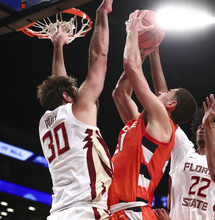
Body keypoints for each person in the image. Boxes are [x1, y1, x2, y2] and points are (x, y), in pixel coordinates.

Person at [108, 10, 197, 220]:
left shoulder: (163, 121)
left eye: (168, 92)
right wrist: (145, 52)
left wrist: (132, 32)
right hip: (120, 209)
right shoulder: (143, 125)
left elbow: (130, 66)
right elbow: (120, 94)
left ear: (171, 104)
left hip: (133, 210)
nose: (162, 92)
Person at [37, 0, 113, 219]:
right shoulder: (77, 111)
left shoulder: (45, 122)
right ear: (66, 96)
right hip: (85, 211)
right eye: (75, 90)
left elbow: (59, 81)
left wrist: (58, 46)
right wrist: (103, 13)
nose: (80, 91)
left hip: (59, 211)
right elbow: (99, 56)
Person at [147, 47, 215, 219]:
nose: (202, 127)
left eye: (210, 126)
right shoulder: (184, 150)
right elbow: (165, 103)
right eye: (201, 125)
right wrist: (155, 52)